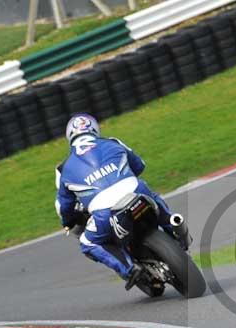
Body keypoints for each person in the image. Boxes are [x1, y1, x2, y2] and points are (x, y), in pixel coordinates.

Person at [55, 113, 178, 290]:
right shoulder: (113, 142)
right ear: (95, 129)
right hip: (136, 192)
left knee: (87, 242)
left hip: (105, 212)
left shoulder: (63, 168)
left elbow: (65, 206)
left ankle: (128, 268)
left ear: (69, 138)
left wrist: (67, 221)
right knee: (148, 191)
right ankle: (174, 226)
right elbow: (139, 166)